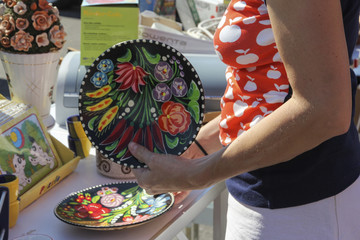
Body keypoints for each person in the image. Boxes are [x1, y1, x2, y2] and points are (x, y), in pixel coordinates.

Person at [129, 0, 360, 239]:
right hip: (274, 201)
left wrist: (197, 174)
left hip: (299, 207)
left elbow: (324, 111)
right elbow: (269, 96)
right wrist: (201, 145)